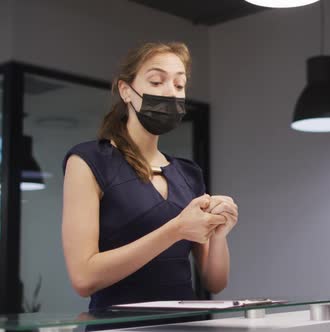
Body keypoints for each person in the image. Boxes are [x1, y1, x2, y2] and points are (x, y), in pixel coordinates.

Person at [61, 41, 238, 311]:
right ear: (125, 91)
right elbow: (83, 278)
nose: (170, 92)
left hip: (185, 328)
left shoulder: (189, 174)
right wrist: (175, 230)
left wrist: (219, 235)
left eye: (179, 86)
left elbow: (215, 282)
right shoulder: (89, 161)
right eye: (156, 82)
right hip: (118, 328)